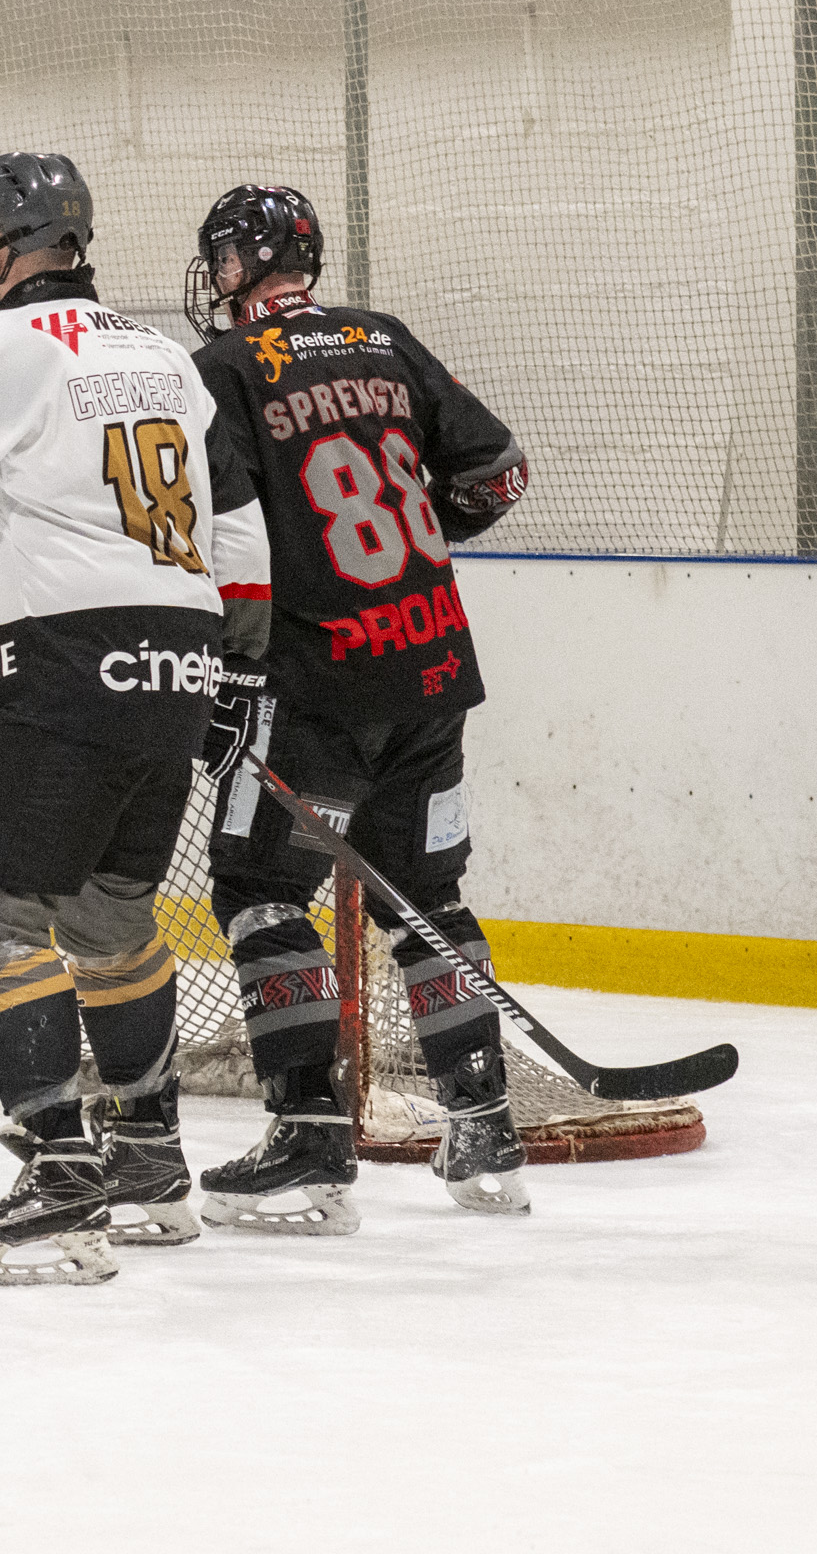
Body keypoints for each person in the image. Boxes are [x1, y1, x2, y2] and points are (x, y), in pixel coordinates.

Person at [0, 152, 270, 1285]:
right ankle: (150, 1157)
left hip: (72, 660)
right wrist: (224, 670)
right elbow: (238, 528)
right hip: (180, 656)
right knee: (111, 908)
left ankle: (63, 1177)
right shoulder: (167, 357)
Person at [184, 184, 537, 1226]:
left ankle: (309, 1134)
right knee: (426, 893)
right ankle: (484, 1125)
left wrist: (225, 666)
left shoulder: (226, 368)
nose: (217, 280)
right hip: (430, 672)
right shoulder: (384, 338)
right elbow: (500, 472)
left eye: (222, 261)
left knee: (259, 887)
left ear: (244, 266)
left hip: (317, 688)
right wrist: (416, 535)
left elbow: (228, 533)